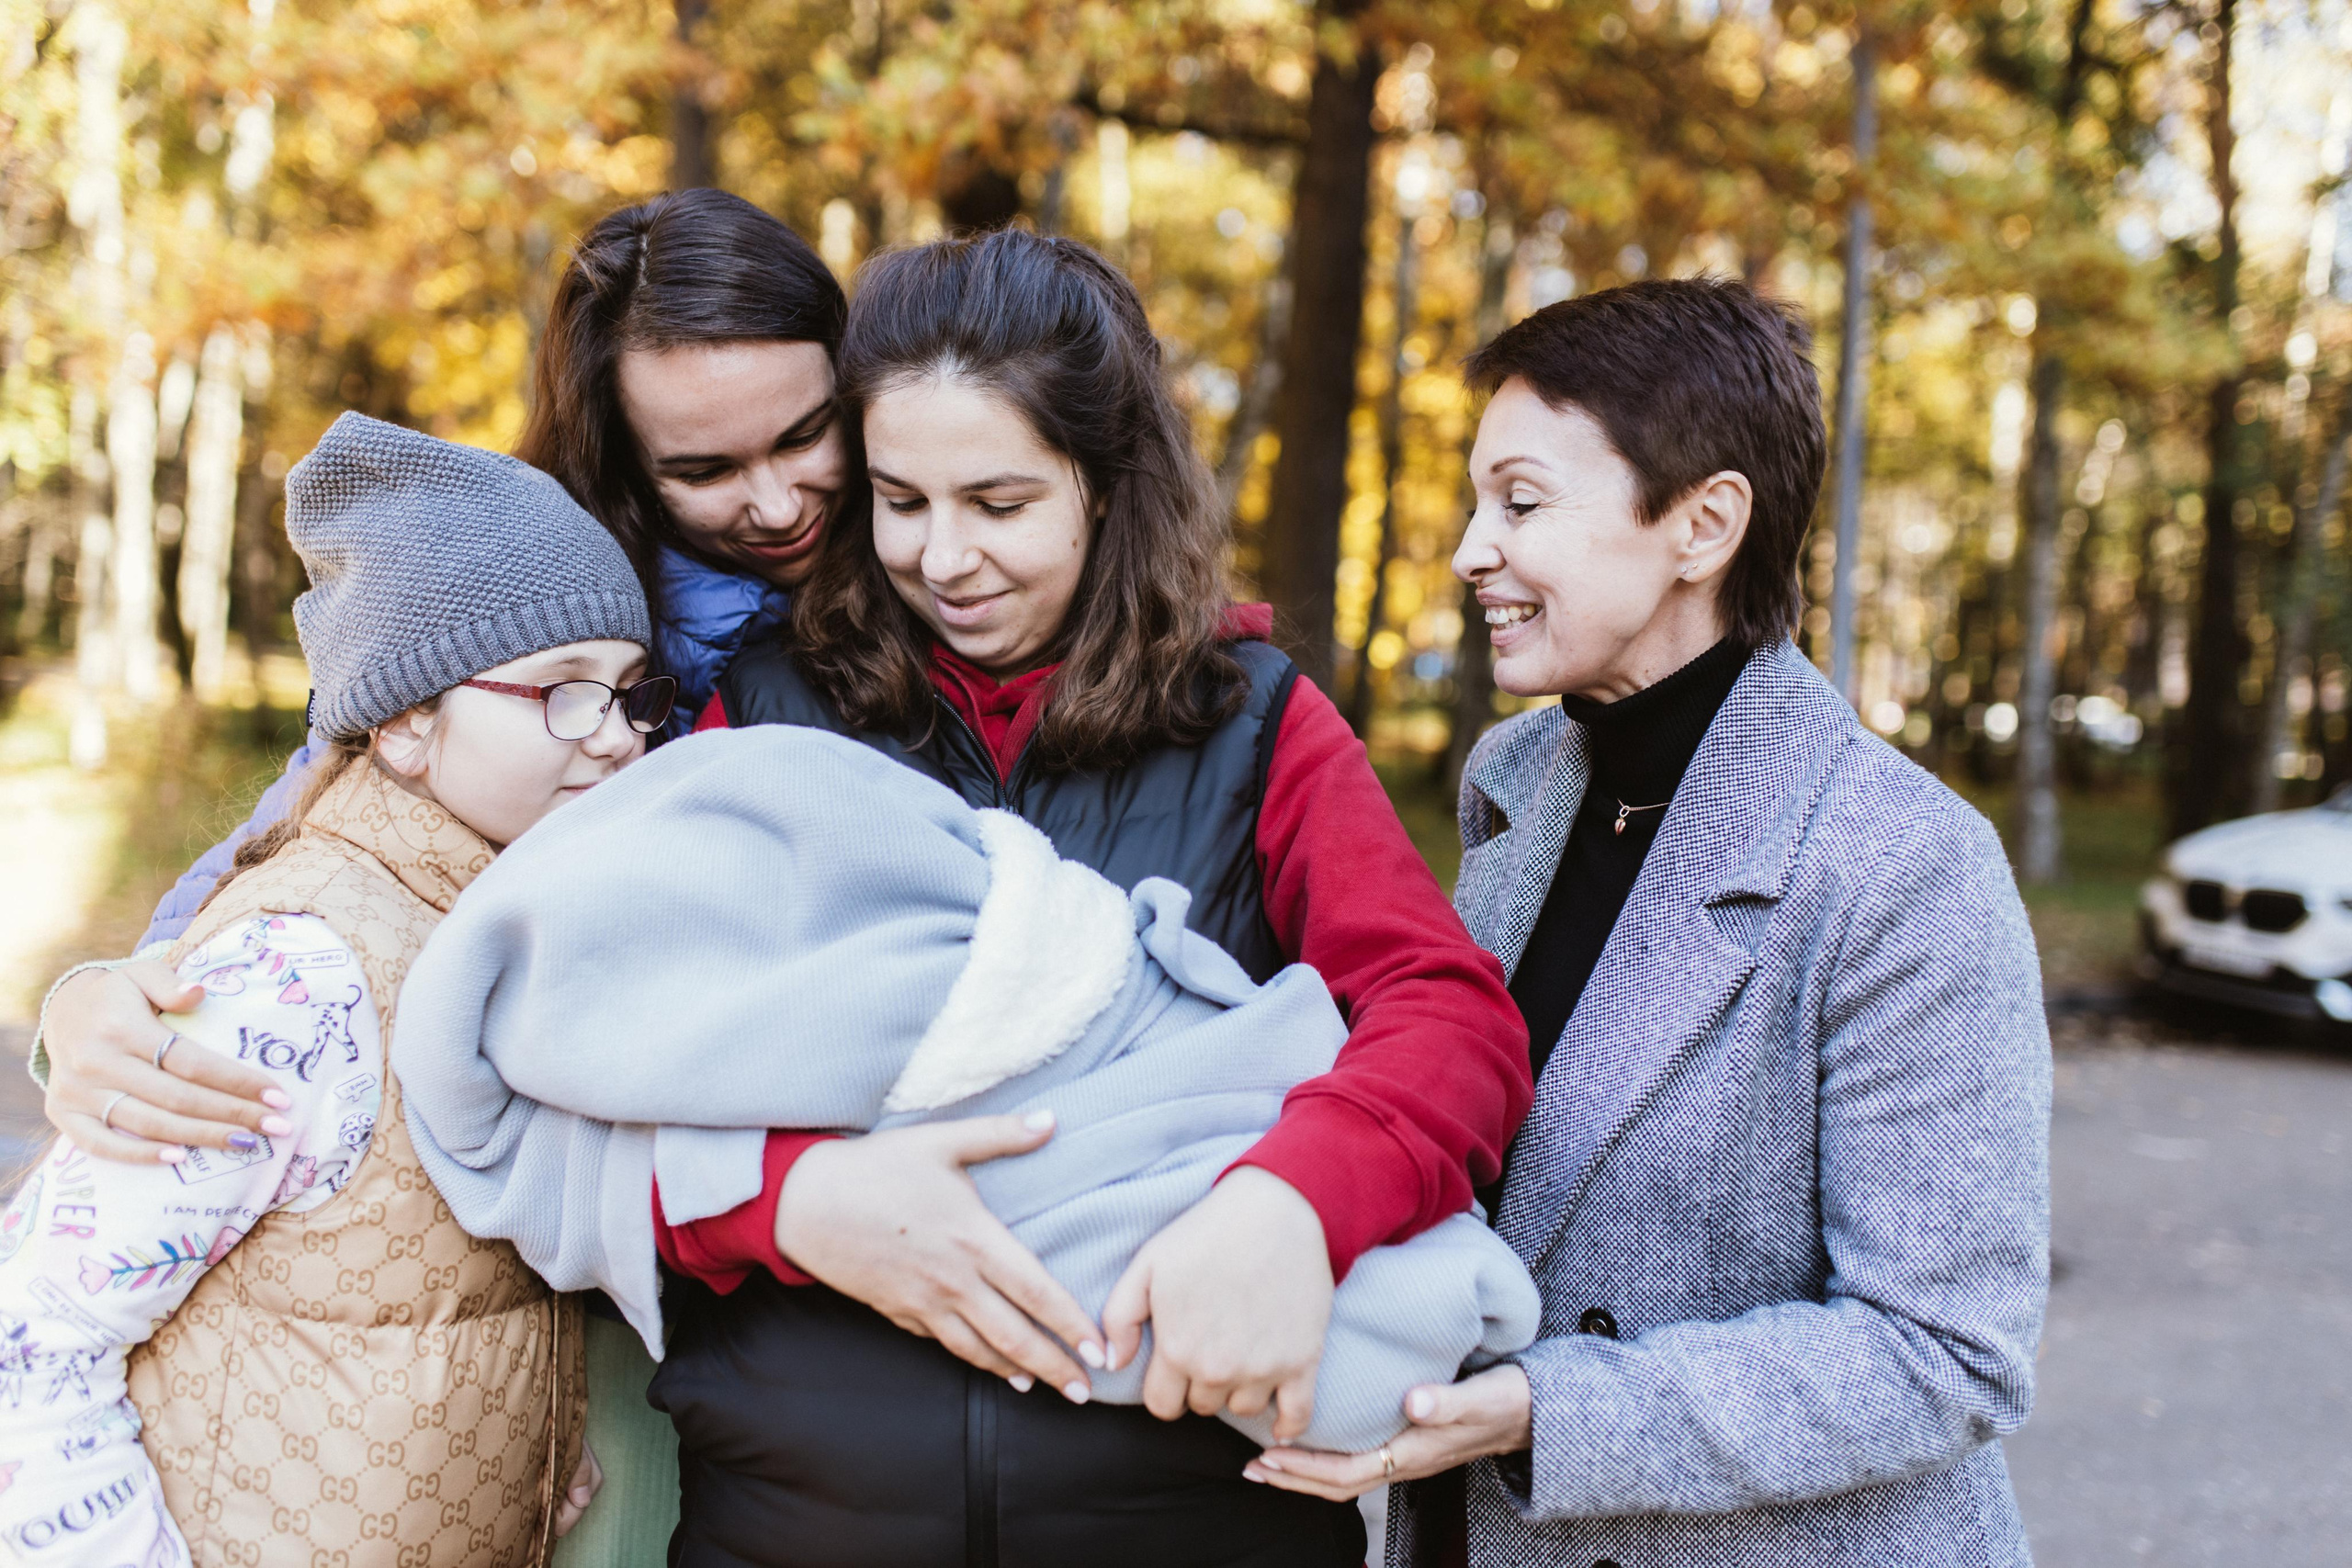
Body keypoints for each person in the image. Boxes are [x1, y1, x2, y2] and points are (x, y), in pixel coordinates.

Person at [651, 228, 1533, 1565]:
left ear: (1106, 484)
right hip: (796, 1521)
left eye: (998, 504)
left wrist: (1293, 1199)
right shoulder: (761, 715)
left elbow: (1446, 1016)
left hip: (1186, 1512)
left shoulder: (1255, 722)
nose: (944, 557)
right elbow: (610, 1066)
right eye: (900, 500)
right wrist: (789, 1199)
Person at [27, 187, 845, 1568]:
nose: (773, 499)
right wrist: (94, 1001)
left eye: (808, 434)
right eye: (707, 466)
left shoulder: (934, 584)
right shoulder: (507, 603)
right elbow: (280, 883)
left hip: (683, 1352)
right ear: (628, 462)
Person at [1245, 278, 2052, 1568]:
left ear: (1703, 523)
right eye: (1475, 502)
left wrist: (1542, 1411)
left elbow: (1944, 1349)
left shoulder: (1900, 860)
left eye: (1520, 501)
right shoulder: (1520, 783)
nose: (1469, 548)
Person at [0, 412, 667, 1567]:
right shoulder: (304, 975)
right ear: (407, 725)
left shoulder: (493, 932)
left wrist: (528, 1440)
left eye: (628, 691)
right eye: (561, 690)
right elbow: (35, 1338)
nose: (613, 738)